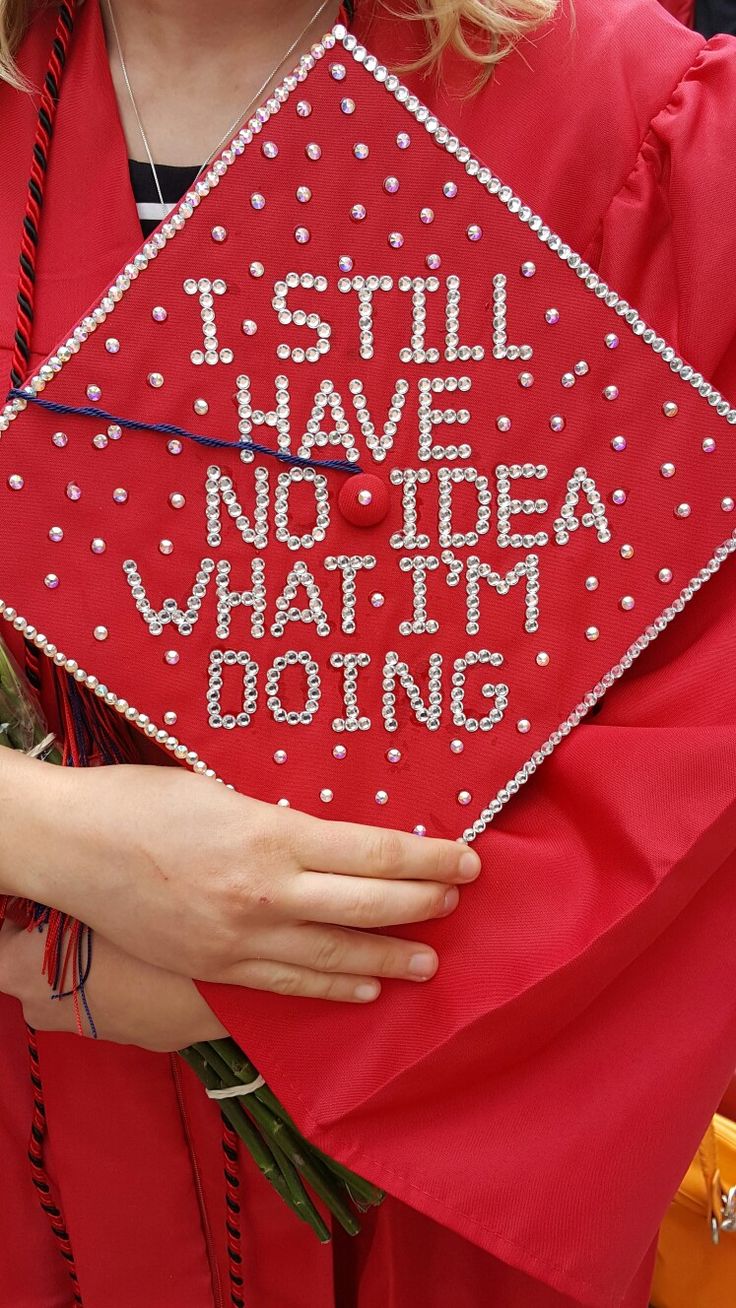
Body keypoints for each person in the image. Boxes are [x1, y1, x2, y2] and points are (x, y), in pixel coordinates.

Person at [0, 0, 735, 1305]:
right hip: (37, 1106)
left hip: (443, 1185)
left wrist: (289, 987)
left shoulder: (622, 115)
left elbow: (707, 730)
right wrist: (42, 834)